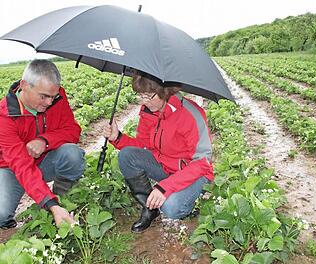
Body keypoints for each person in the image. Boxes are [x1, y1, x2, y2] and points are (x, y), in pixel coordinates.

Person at [103, 70, 213, 233]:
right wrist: (117, 137)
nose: (143, 101)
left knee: (171, 207)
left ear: (165, 91)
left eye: (148, 96)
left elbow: (202, 163)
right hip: (166, 168)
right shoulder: (149, 111)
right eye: (140, 95)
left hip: (193, 174)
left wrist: (165, 187)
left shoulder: (190, 115)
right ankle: (150, 208)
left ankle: (194, 201)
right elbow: (143, 146)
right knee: (127, 156)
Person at [0, 59, 85, 229]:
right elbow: (21, 165)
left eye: (52, 97)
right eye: (44, 96)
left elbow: (72, 130)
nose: (49, 102)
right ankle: (53, 207)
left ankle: (63, 202)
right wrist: (50, 204)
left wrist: (45, 141)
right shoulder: (5, 117)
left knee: (73, 154)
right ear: (24, 85)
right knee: (1, 215)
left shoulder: (58, 97)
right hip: (12, 169)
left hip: (45, 160)